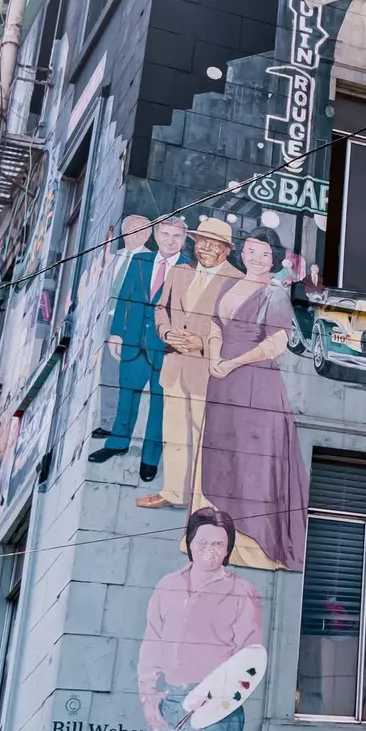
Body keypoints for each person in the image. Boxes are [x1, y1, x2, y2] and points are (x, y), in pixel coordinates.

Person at [199, 232, 306, 570]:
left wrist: (232, 362)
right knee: (223, 445)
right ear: (243, 252)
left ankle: (255, 535)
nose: (256, 258)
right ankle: (223, 525)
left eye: (263, 254)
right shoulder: (229, 285)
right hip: (222, 381)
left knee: (253, 453)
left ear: (273, 259)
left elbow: (277, 343)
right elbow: (216, 324)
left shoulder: (275, 294)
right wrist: (215, 357)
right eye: (251, 251)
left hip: (255, 380)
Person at [137, 508, 263, 731]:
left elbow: (248, 657)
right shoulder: (168, 586)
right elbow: (152, 641)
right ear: (190, 543)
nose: (210, 550)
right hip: (170, 702)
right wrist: (148, 694)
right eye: (203, 541)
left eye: (218, 543)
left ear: (228, 550)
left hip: (218, 708)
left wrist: (215, 697)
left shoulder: (243, 592)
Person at [140, 218, 238, 511]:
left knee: (206, 436)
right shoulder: (181, 272)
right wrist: (167, 332)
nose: (205, 247)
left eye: (213, 242)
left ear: (226, 249)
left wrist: (203, 344)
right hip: (174, 365)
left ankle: (204, 498)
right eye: (201, 241)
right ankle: (174, 492)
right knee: (174, 433)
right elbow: (161, 308)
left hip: (207, 371)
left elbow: (241, 331)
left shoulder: (237, 282)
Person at [91, 215, 164, 481]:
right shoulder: (112, 258)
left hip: (153, 333)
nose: (136, 234)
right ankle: (112, 430)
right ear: (123, 233)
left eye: (142, 231)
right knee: (114, 378)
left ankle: (150, 458)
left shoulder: (154, 260)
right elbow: (117, 294)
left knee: (157, 396)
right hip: (115, 321)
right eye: (131, 230)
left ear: (149, 235)